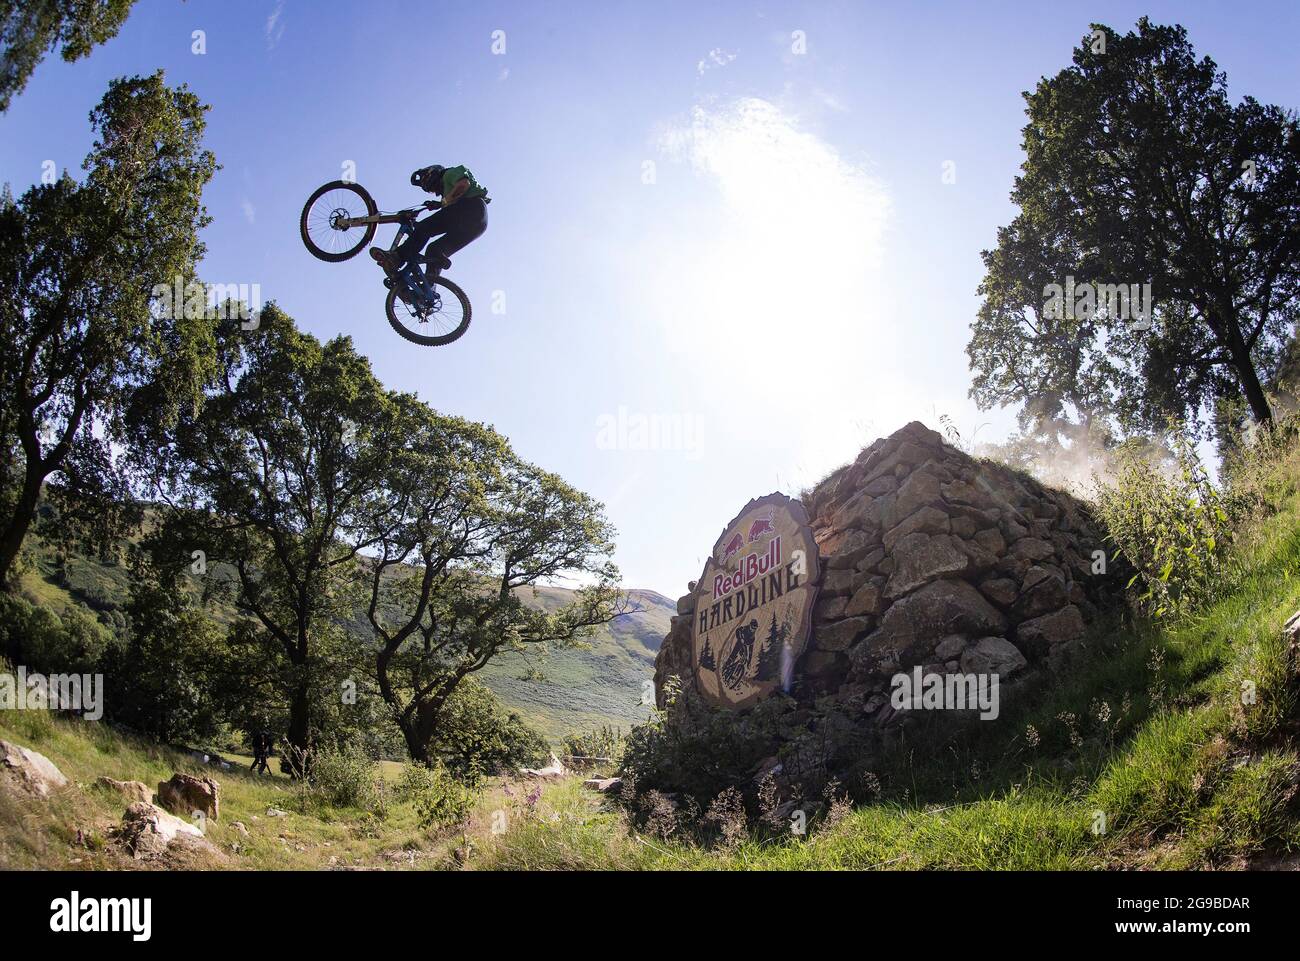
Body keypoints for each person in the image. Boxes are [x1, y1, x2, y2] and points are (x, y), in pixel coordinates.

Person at [370, 164, 489, 290]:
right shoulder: (448, 194)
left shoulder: (449, 174)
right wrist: (439, 205)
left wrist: (443, 203)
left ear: (433, 173)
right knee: (434, 251)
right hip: (477, 225)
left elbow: (463, 184)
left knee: (425, 227)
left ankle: (397, 257)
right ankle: (427, 293)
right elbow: (443, 217)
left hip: (472, 208)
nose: (432, 191)